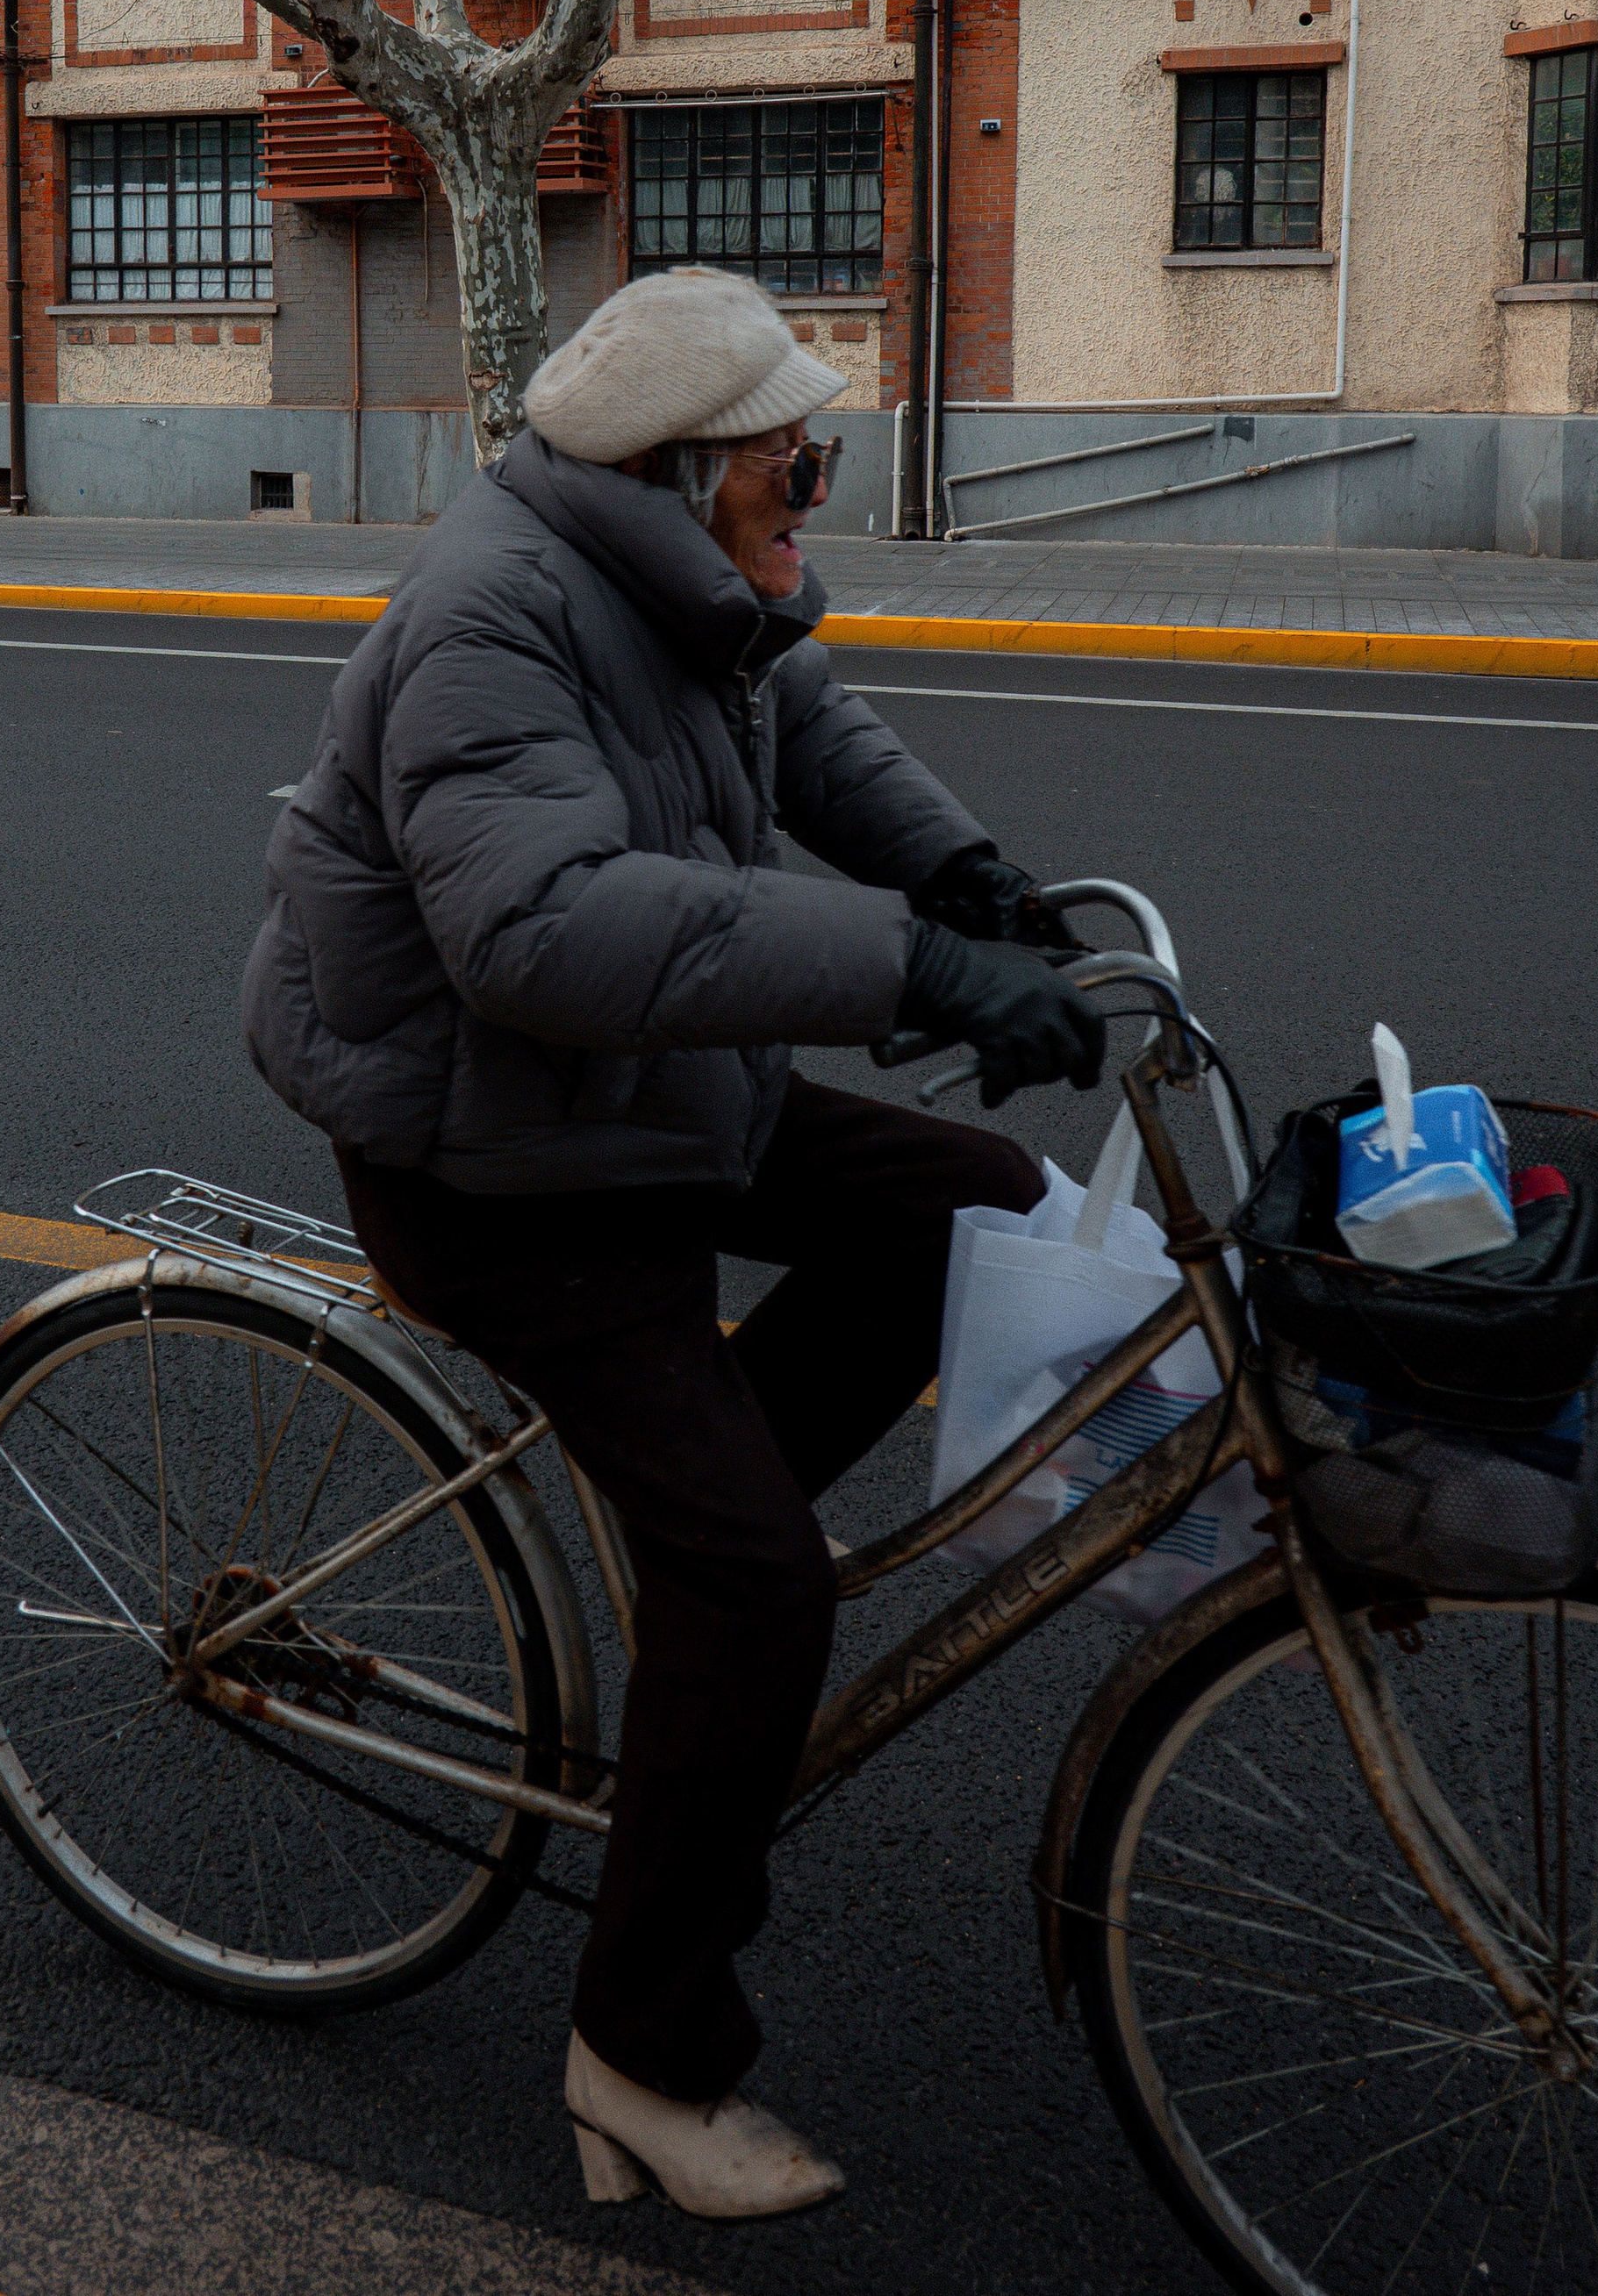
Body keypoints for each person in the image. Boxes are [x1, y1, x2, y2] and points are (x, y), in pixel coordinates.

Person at [243, 266, 1105, 2222]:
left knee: (975, 1211)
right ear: (681, 466)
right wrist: (913, 968)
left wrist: (965, 879)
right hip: (495, 1162)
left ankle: (699, 1552)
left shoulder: (685, 587)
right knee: (760, 1592)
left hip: (641, 1100)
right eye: (796, 459)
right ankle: (638, 2056)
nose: (817, 485)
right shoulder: (487, 618)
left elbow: (811, 728)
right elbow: (539, 932)